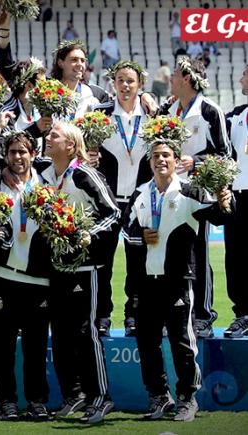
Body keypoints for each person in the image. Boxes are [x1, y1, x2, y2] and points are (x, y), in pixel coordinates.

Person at [122, 138, 232, 422]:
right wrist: (140, 234)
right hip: (146, 280)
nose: (161, 160)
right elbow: (127, 228)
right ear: (149, 163)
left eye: (166, 155)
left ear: (175, 161)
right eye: (156, 156)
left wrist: (224, 201)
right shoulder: (140, 193)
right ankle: (159, 397)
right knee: (147, 342)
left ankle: (187, 398)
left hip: (178, 280)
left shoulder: (190, 191)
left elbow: (218, 215)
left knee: (182, 341)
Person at [41, 121, 119, 424]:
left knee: (86, 332)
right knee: (60, 333)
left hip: (86, 268)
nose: (48, 138)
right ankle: (73, 396)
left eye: (54, 135)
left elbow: (113, 212)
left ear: (71, 146)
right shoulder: (48, 174)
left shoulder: (84, 174)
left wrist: (89, 234)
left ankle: (101, 397)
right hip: (57, 266)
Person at [161, 57, 231, 338]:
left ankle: (202, 316)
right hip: (171, 192)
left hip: (199, 193)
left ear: (187, 79)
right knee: (170, 255)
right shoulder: (170, 111)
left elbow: (226, 156)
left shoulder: (210, 111)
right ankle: (173, 313)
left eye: (175, 74)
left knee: (199, 255)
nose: (170, 78)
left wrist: (196, 162)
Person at [0, 131, 52, 421]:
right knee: (2, 345)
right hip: (3, 275)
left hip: (38, 278)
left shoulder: (48, 184)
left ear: (33, 154)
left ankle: (37, 400)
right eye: (12, 152)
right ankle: (7, 401)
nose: (17, 157)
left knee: (35, 346)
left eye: (22, 152)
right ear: (5, 156)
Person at [93, 61, 153, 337]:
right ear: (113, 83)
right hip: (107, 200)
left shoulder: (153, 116)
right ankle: (102, 314)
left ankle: (134, 314)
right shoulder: (100, 114)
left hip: (140, 201)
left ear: (140, 84)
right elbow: (84, 150)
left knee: (138, 262)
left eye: (130, 81)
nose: (125, 85)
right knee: (102, 261)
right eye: (120, 80)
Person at [223, 65, 248, 338]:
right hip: (238, 196)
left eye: (245, 74)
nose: (241, 79)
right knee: (237, 258)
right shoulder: (235, 116)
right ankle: (243, 313)